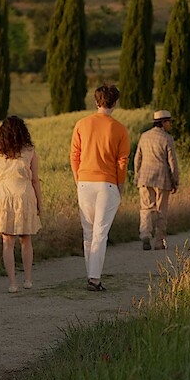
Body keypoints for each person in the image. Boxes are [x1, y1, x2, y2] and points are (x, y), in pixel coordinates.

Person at [70, 84, 129, 292]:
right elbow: (122, 161)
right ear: (114, 103)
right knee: (100, 233)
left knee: (88, 232)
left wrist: (79, 180)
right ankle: (94, 279)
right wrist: (121, 187)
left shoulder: (81, 124)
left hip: (85, 181)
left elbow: (74, 156)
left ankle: (91, 276)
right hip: (107, 182)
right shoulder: (120, 129)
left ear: (96, 102)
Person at [0, 116, 43, 293]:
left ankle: (12, 283)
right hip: (25, 195)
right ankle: (28, 280)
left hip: (3, 197)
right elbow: (35, 180)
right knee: (26, 240)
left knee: (7, 242)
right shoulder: (30, 151)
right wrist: (39, 203)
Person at [133, 110, 179, 251]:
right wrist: (175, 180)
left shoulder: (144, 136)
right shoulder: (167, 138)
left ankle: (145, 234)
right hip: (162, 179)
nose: (170, 125)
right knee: (161, 210)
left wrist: (137, 176)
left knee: (146, 208)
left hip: (145, 178)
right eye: (169, 122)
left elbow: (137, 158)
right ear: (163, 122)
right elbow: (173, 162)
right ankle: (159, 241)